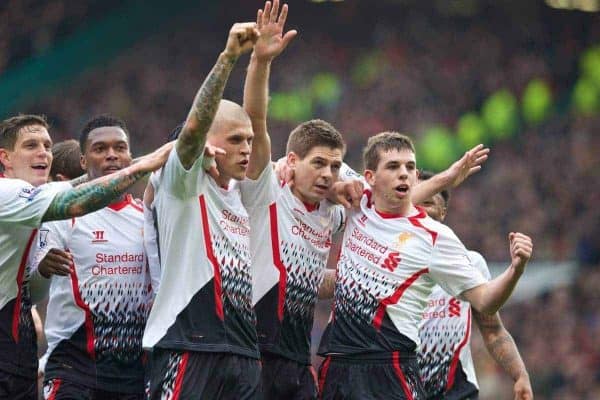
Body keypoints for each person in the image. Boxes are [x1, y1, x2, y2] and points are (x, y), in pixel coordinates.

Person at [317, 132, 533, 400]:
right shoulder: (362, 203)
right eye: (394, 167)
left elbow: (487, 304)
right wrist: (333, 189)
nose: (404, 174)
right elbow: (311, 171)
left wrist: (516, 270)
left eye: (410, 167)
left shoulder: (436, 239)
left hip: (392, 369)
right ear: (370, 178)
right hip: (338, 362)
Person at [0, 114, 170, 399]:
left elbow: (37, 289)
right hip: (66, 364)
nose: (43, 152)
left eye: (46, 144)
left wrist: (42, 269)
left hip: (21, 355)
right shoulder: (9, 192)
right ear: (4, 157)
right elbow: (76, 200)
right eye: (31, 145)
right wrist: (145, 165)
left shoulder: (34, 200)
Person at [142, 23, 263, 399]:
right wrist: (228, 60)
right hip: (188, 346)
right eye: (235, 140)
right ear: (208, 144)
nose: (246, 148)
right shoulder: (181, 182)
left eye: (249, 140)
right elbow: (194, 128)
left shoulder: (239, 199)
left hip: (243, 354)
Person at [416, 171, 533, 400]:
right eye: (415, 201)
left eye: (428, 202)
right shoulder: (387, 262)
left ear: (443, 212)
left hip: (457, 392)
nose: (420, 209)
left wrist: (520, 375)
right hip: (399, 389)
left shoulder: (470, 263)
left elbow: (492, 329)